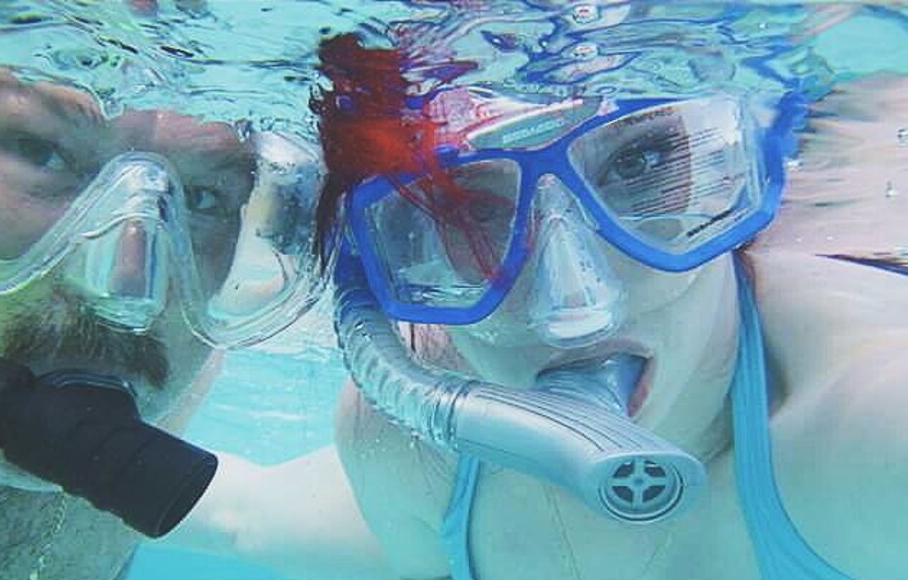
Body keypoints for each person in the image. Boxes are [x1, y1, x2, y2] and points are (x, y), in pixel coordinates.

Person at [303, 25, 908, 580]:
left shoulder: (871, 430)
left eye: (641, 164)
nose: (575, 312)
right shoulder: (403, 437)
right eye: (476, 213)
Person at [0, 6, 331, 579]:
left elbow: (251, 514)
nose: (128, 290)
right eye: (40, 151)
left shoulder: (153, 399)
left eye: (203, 198)